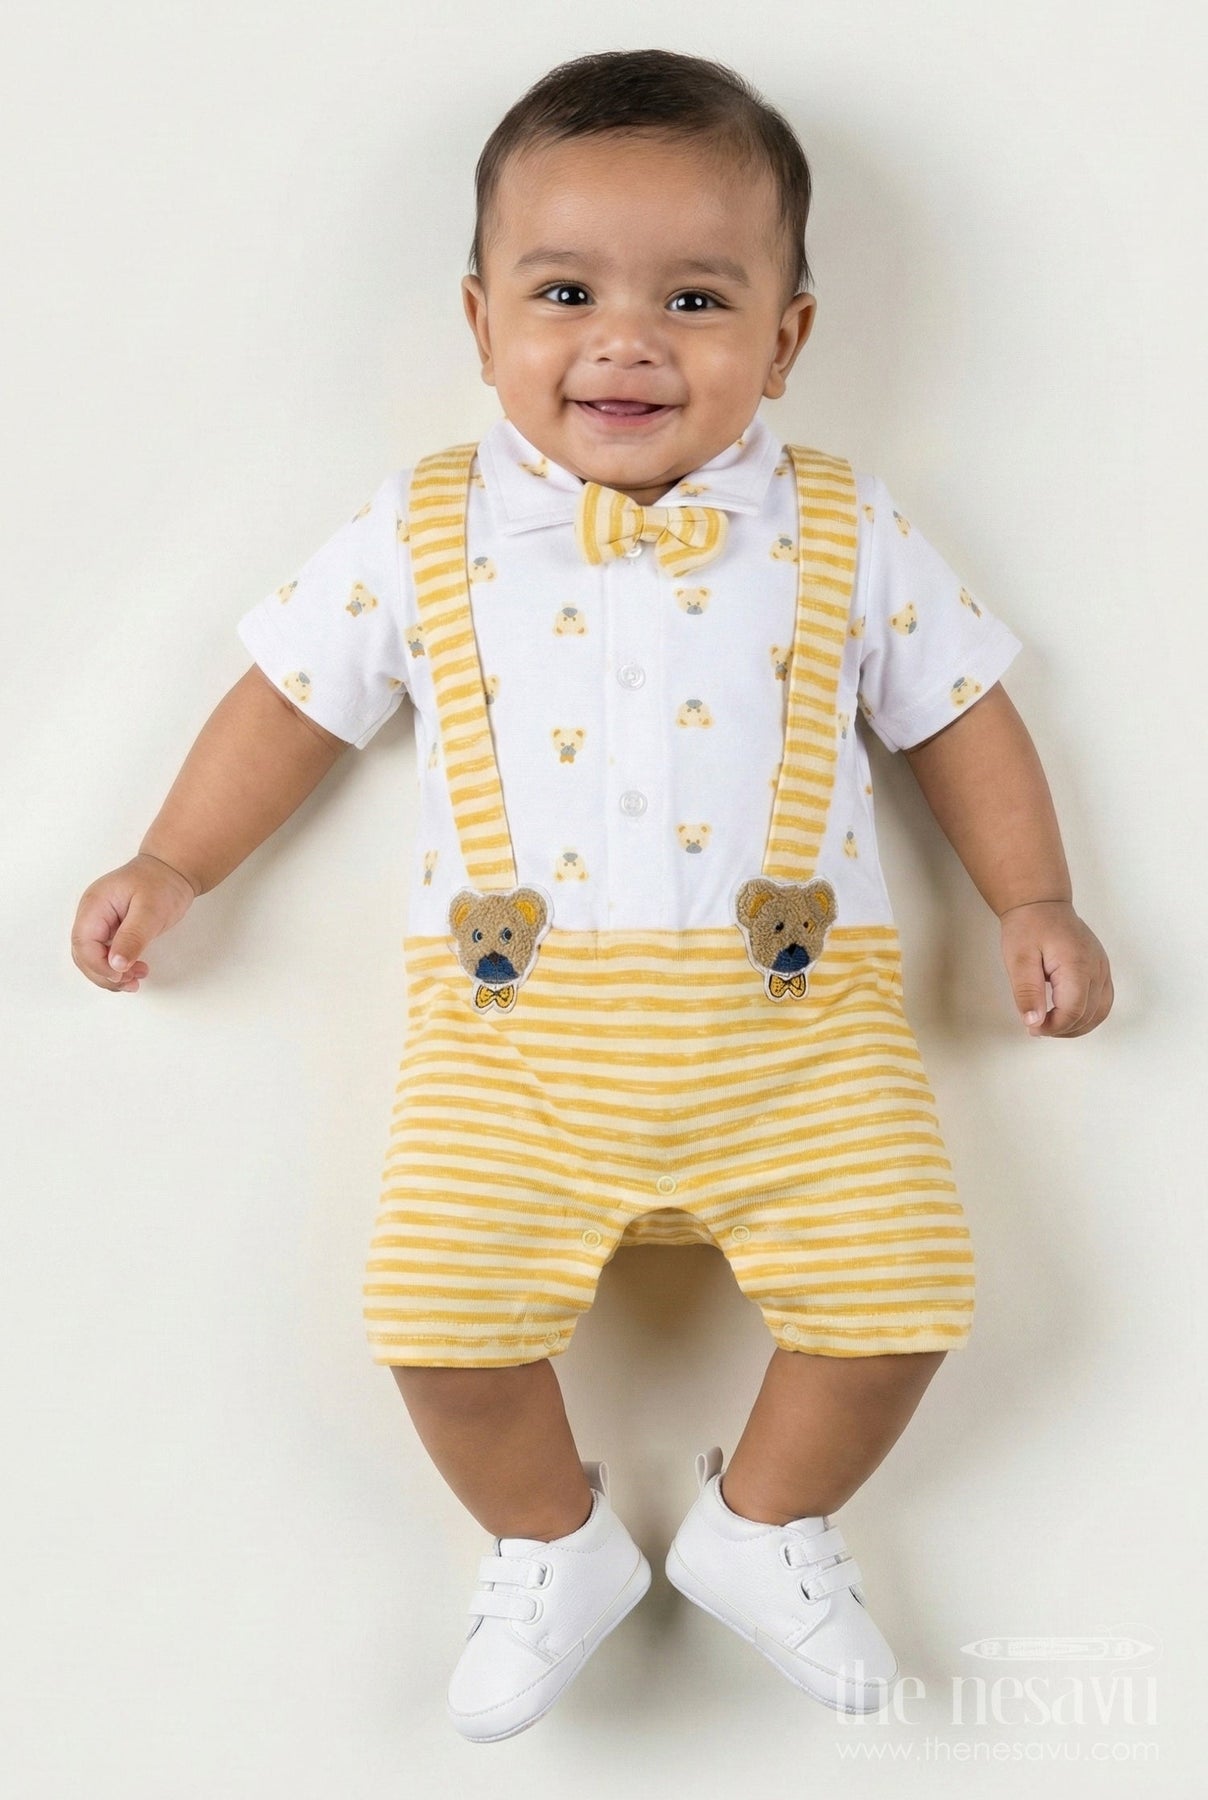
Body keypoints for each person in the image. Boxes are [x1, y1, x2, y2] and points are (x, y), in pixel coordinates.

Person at [70, 47, 1114, 1744]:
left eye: (695, 298)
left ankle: (765, 1525)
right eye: (567, 293)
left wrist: (1034, 897)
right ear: (481, 322)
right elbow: (287, 702)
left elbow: (963, 718)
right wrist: (171, 858)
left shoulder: (843, 527)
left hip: (803, 1044)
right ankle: (551, 1547)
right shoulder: (423, 529)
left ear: (787, 337)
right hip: (512, 1056)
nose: (627, 341)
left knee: (907, 1295)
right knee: (432, 1325)